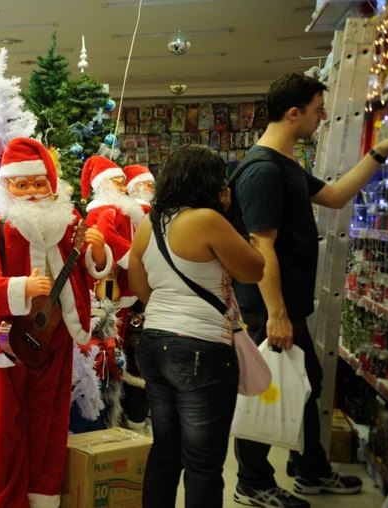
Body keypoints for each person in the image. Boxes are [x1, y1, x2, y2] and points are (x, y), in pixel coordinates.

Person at [232, 72, 388, 508]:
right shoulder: (263, 171)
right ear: (295, 114)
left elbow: (335, 196)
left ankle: (309, 470)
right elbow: (262, 246)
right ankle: (251, 481)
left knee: (305, 382)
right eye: (317, 109)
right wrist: (276, 314)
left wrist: (379, 153)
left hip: (287, 306)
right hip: (269, 309)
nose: (322, 116)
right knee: (265, 391)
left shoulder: (286, 166)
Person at [0, 137, 112, 508]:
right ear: (7, 186)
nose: (32, 193)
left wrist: (97, 251)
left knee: (49, 421)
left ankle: (44, 496)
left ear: (51, 187)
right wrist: (22, 287)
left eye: (39, 184)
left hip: (56, 337)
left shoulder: (68, 227)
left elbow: (88, 273)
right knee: (8, 426)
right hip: (9, 341)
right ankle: (8, 499)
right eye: (23, 184)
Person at [128, 144, 265, 507]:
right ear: (210, 183)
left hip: (154, 342)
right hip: (201, 346)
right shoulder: (208, 220)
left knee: (164, 451)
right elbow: (254, 269)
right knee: (203, 464)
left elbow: (141, 287)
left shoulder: (149, 223)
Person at [83, 156, 149, 430]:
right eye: (117, 182)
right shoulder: (105, 211)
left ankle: (118, 408)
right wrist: (134, 257)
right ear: (102, 184)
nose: (123, 188)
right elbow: (108, 239)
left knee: (117, 342)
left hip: (124, 288)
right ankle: (106, 408)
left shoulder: (123, 211)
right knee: (109, 343)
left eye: (124, 182)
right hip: (110, 288)